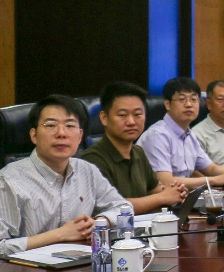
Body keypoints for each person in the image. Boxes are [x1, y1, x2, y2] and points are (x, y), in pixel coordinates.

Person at [0, 95, 132, 272]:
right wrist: (60, 234)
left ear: (80, 136)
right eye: (51, 125)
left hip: (61, 270)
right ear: (34, 135)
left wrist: (98, 223)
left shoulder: (87, 170)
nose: (61, 133)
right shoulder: (4, 184)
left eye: (70, 126)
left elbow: (124, 208)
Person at [79, 82, 187, 214]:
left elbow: (155, 189)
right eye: (122, 115)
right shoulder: (92, 159)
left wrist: (175, 191)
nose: (131, 122)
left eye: (137, 114)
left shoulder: (138, 152)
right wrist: (163, 197)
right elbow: (111, 206)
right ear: (104, 118)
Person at [138, 77, 224, 190]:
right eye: (182, 99)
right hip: (162, 198)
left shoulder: (189, 135)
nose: (189, 104)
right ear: (167, 104)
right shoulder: (157, 136)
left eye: (194, 99)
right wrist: (214, 180)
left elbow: (211, 169)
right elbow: (166, 181)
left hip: (184, 195)